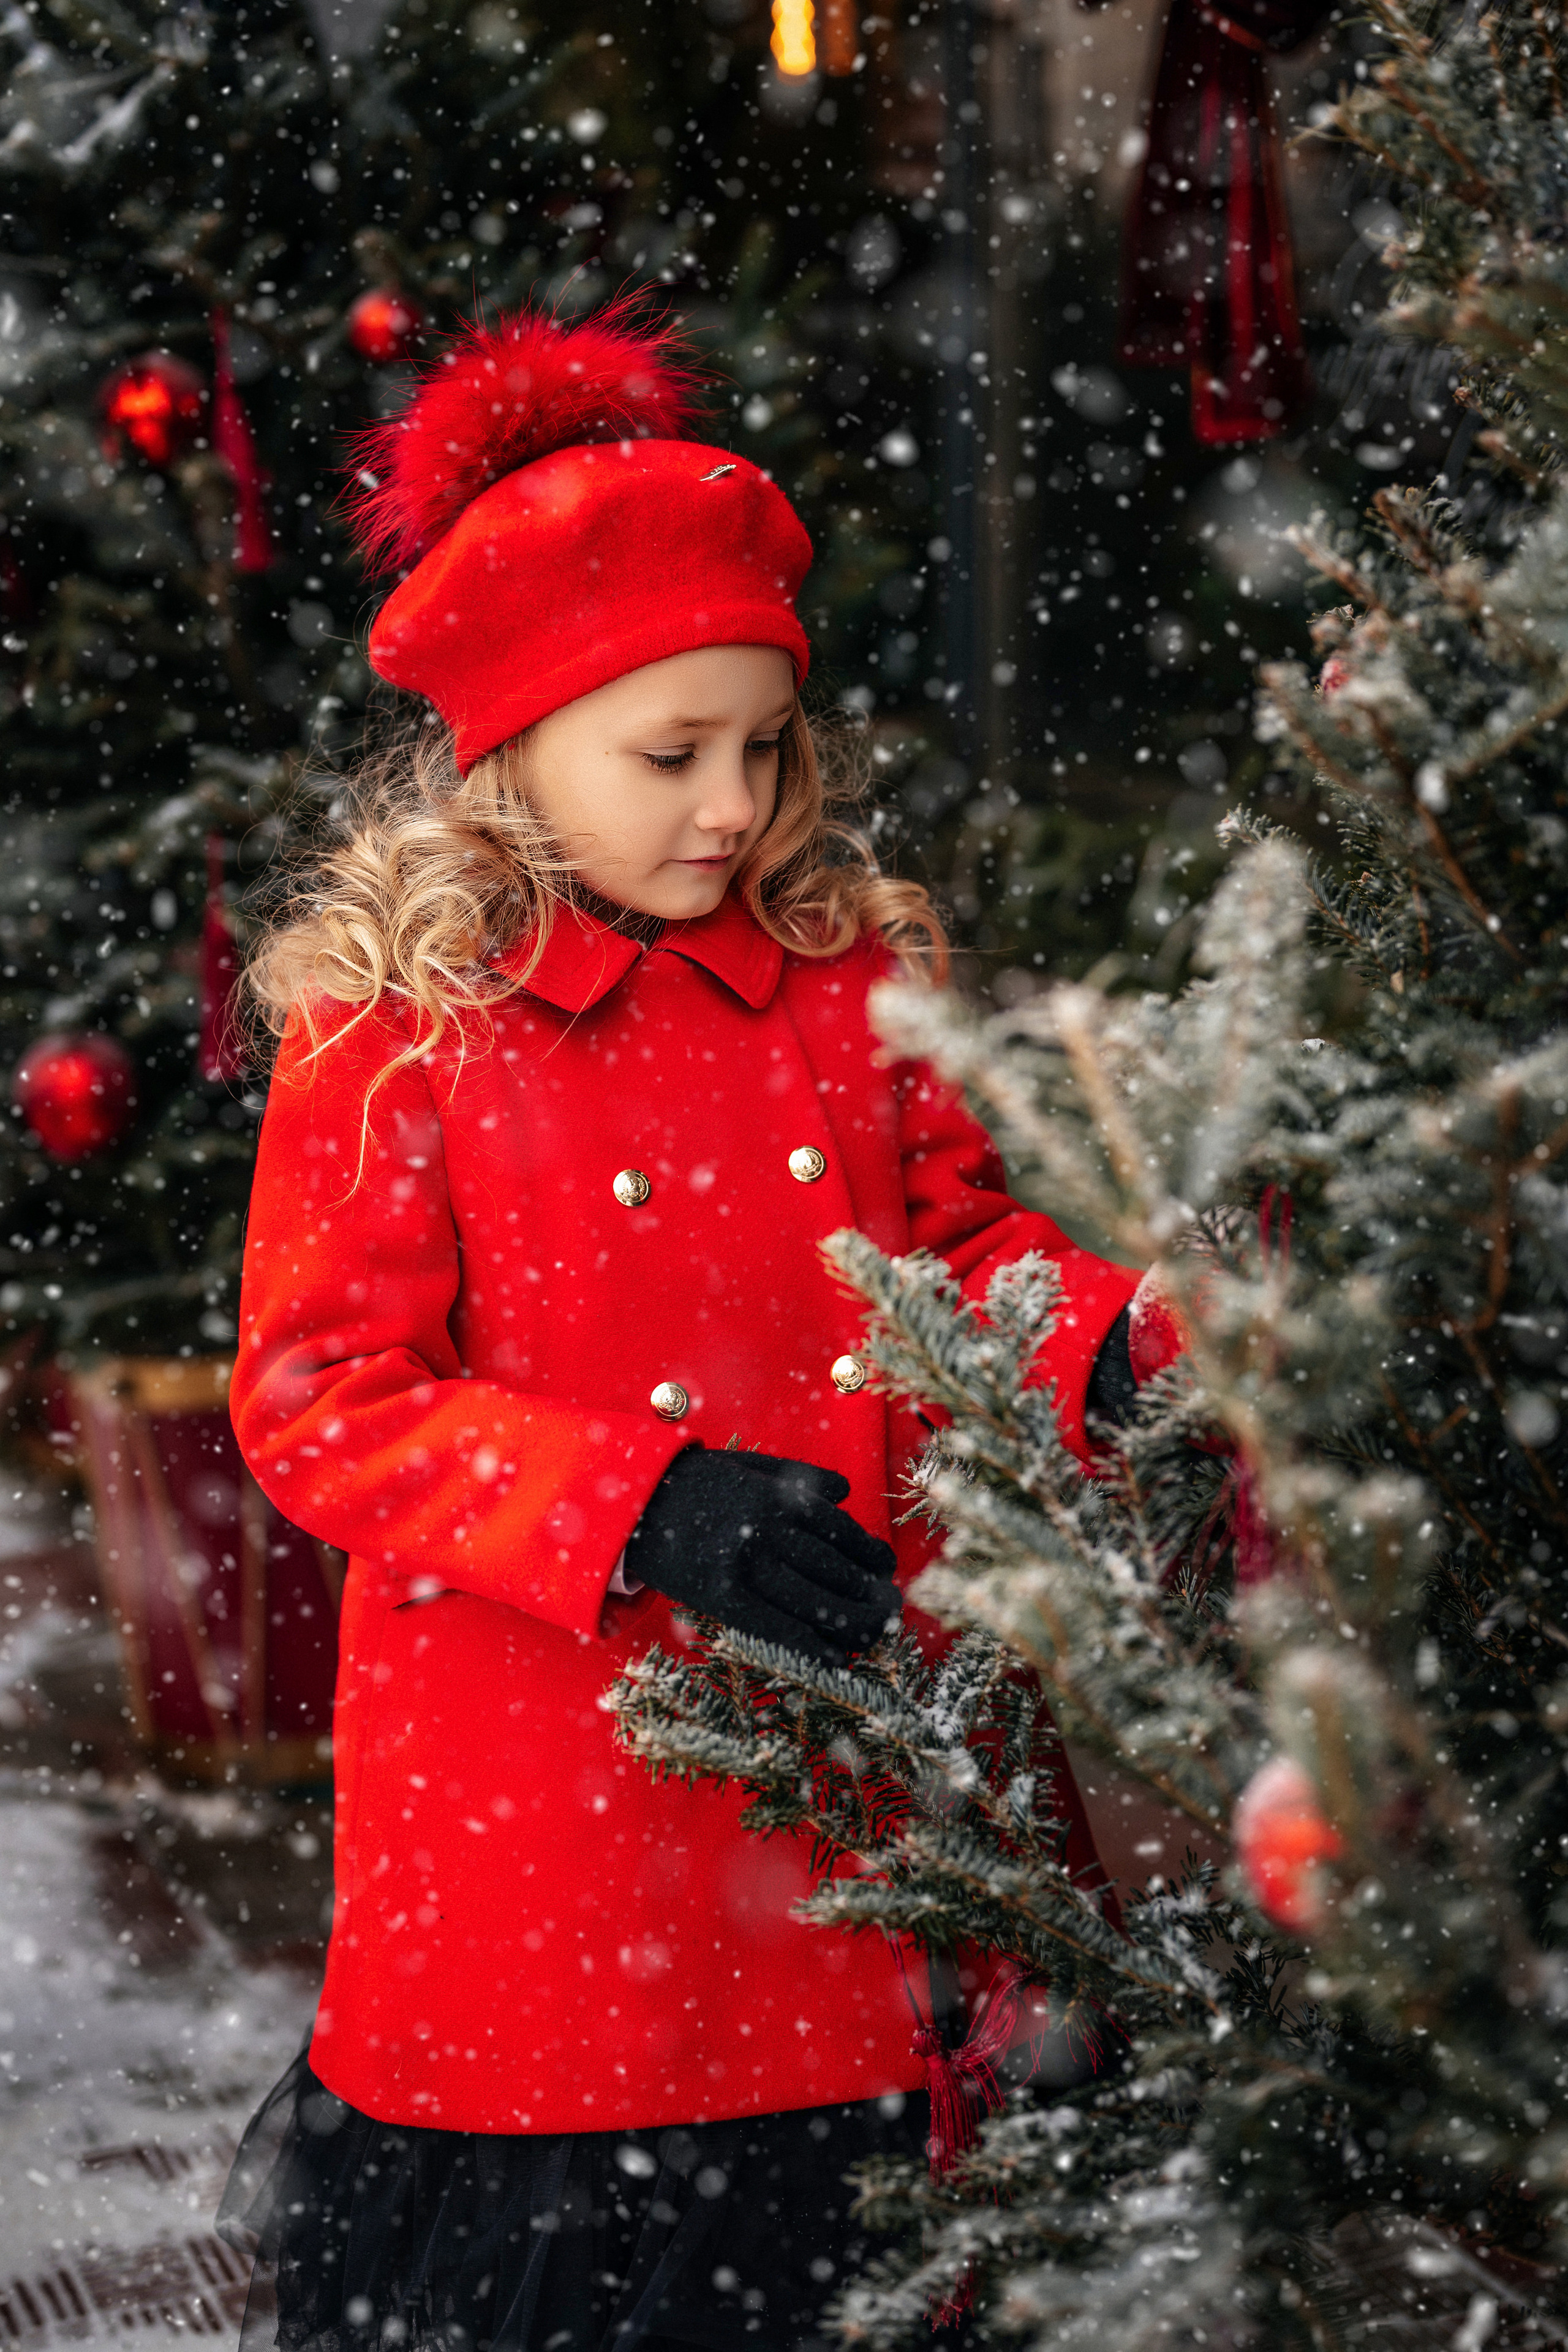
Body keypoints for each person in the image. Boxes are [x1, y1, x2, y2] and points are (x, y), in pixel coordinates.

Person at [218, 301, 1156, 2352]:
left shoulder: (842, 975)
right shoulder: (402, 1029)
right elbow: (318, 1399)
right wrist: (636, 1503)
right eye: (671, 755)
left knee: (877, 2251)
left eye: (765, 748)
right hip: (563, 1819)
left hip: (865, 1769)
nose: (731, 806)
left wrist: (1113, 1348)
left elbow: (958, 1251)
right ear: (514, 747)